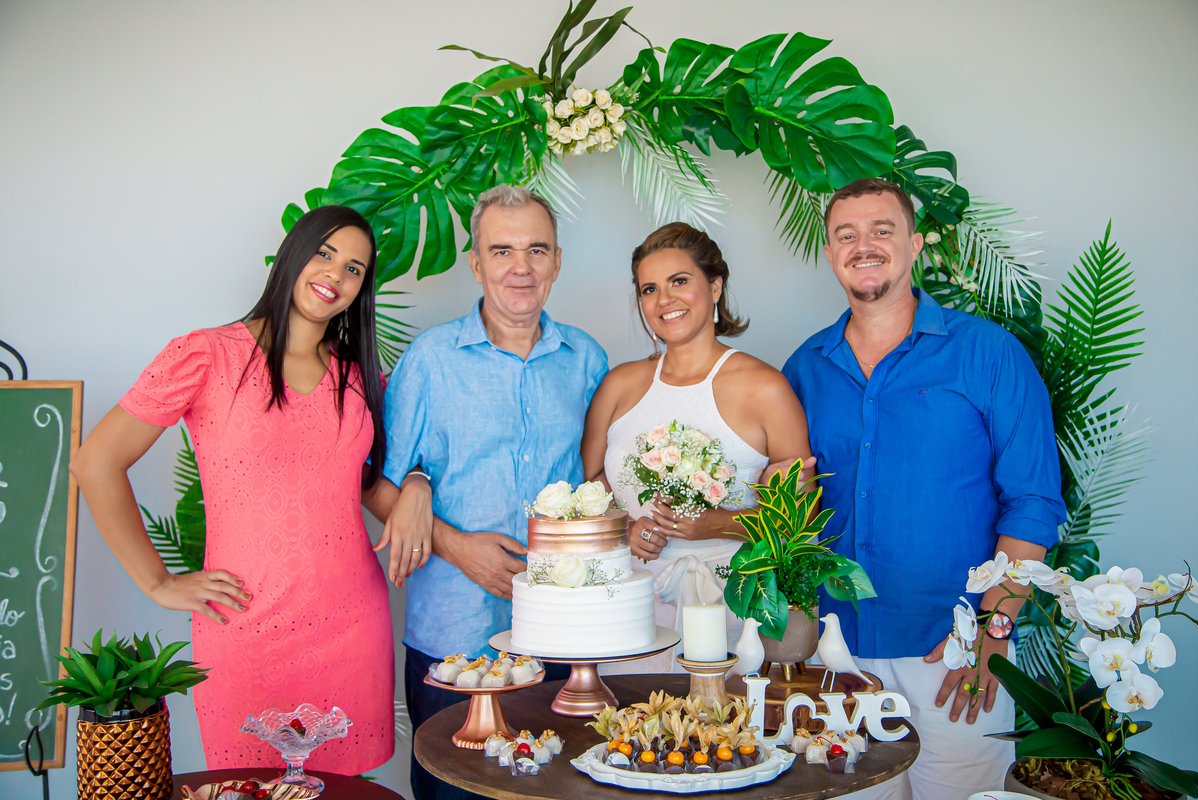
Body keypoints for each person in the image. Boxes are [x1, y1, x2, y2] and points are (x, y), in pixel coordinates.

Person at [69, 206, 399, 774]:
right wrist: (157, 582)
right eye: (324, 254)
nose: (335, 275)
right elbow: (95, 462)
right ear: (293, 255)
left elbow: (366, 484)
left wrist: (416, 486)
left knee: (345, 789)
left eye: (354, 268)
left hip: (352, 624)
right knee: (245, 784)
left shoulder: (360, 376)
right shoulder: (206, 355)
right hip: (244, 627)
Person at [781, 178, 1066, 798]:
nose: (865, 246)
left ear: (914, 245)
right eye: (846, 235)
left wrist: (993, 631)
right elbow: (789, 510)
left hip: (955, 655)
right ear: (831, 254)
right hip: (837, 657)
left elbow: (1034, 502)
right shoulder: (804, 367)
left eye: (882, 230)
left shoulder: (990, 354)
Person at [374, 185, 608, 800]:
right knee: (455, 790)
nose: (520, 267)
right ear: (476, 264)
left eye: (536, 249)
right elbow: (381, 487)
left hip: (560, 633)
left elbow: (601, 485)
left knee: (561, 786)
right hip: (454, 637)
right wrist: (455, 545)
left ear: (558, 260)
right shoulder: (429, 359)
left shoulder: (586, 359)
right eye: (501, 250)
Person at [581, 222, 815, 672]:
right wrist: (625, 530)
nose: (664, 300)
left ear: (715, 285)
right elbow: (590, 487)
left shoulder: (766, 388)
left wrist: (716, 524)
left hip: (732, 601)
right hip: (628, 600)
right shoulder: (618, 386)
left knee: (723, 736)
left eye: (679, 282)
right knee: (631, 734)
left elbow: (797, 521)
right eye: (649, 289)